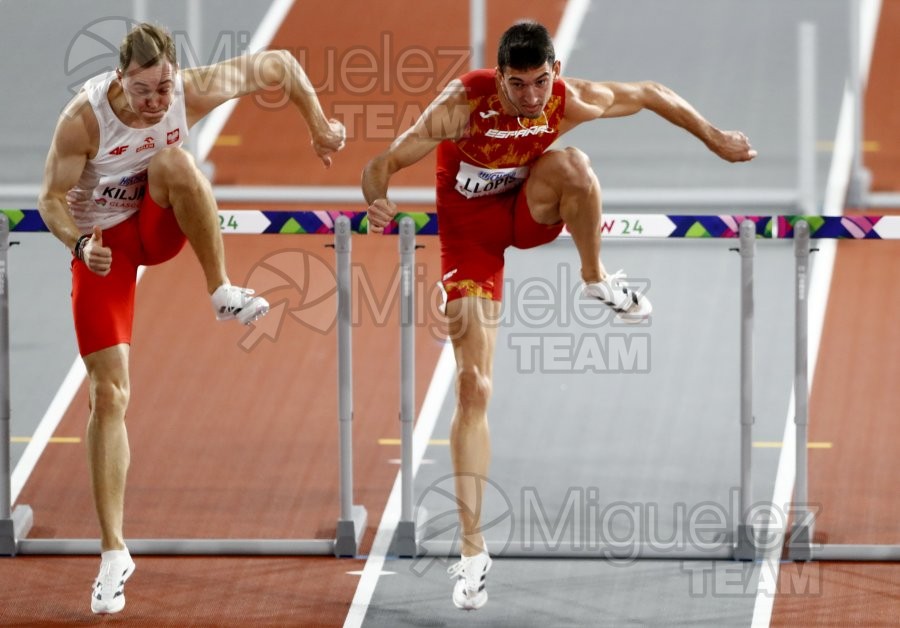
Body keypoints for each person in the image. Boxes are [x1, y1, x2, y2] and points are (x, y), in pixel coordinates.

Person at [362, 20, 755, 611]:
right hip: (470, 241)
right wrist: (376, 201)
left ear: (556, 72)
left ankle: (595, 278)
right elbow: (382, 164)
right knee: (473, 386)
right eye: (517, 85)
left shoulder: (568, 99)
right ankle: (472, 553)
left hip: (530, 212)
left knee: (575, 165)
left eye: (540, 82)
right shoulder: (462, 106)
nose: (530, 97)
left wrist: (713, 137)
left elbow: (650, 92)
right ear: (499, 79)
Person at [37, 23, 345, 614]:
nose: (155, 103)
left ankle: (221, 288)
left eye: (163, 89)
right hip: (103, 249)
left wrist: (319, 126)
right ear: (120, 81)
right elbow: (50, 197)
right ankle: (113, 554)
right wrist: (78, 245)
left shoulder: (187, 91)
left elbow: (277, 63)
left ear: (174, 76)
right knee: (109, 395)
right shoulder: (85, 118)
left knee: (174, 161)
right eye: (143, 92)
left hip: (157, 225)